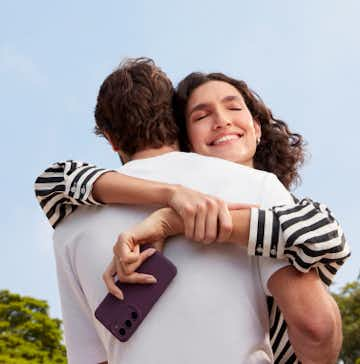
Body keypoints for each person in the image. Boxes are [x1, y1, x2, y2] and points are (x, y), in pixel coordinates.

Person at [35, 58, 346, 363]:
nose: (222, 121)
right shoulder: (256, 186)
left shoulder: (69, 227)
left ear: (112, 141)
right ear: (177, 125)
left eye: (233, 107)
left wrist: (173, 217)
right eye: (202, 115)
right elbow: (315, 327)